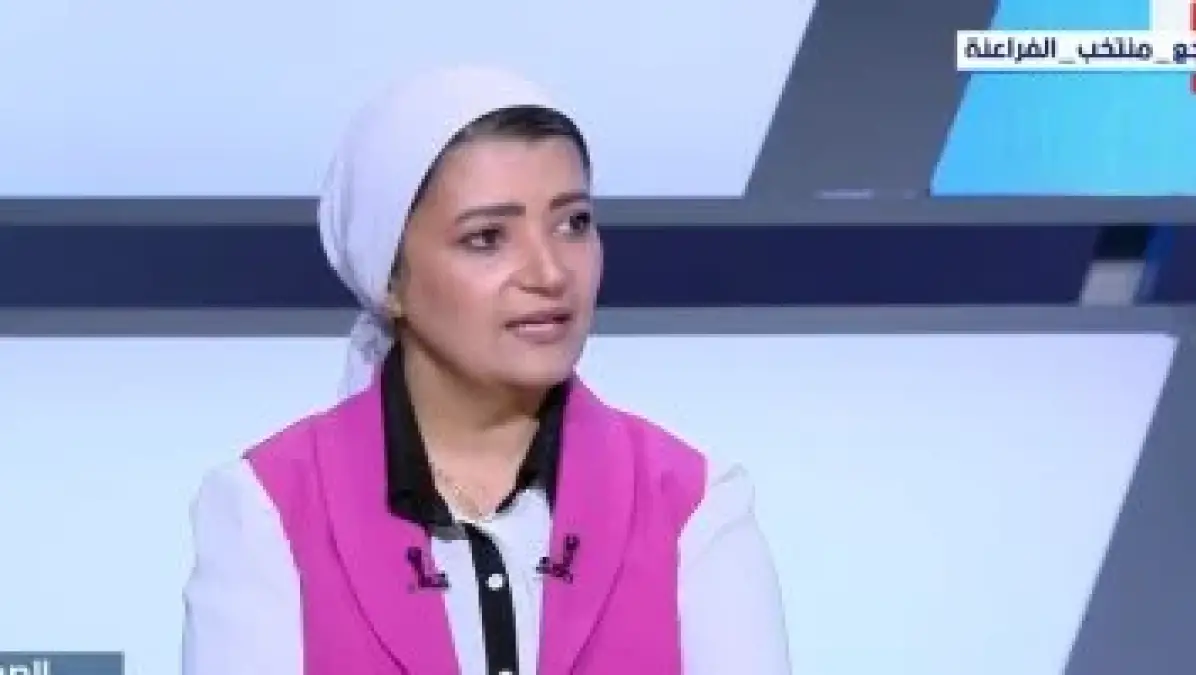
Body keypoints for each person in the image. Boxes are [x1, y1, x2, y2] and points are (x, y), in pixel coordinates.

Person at [181, 65, 791, 675]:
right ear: (390, 278)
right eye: (487, 238)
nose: (550, 273)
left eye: (573, 223)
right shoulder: (265, 510)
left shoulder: (694, 506)